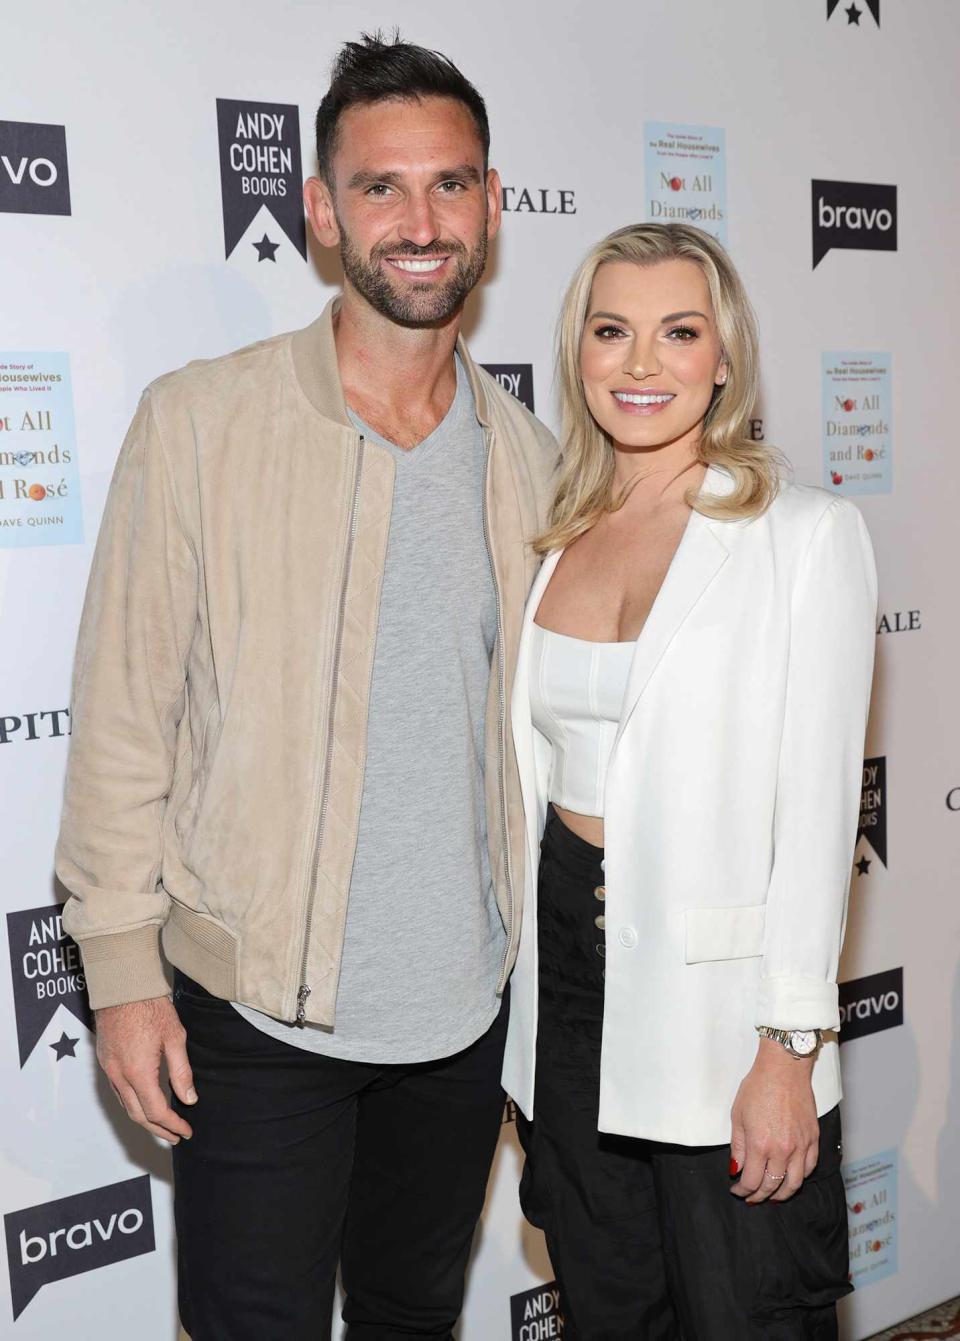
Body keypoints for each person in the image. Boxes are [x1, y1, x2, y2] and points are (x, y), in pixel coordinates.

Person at [55, 33, 558, 1340]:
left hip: (459, 1022)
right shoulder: (200, 422)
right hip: (253, 1011)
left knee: (409, 1321)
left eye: (451, 186)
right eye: (381, 189)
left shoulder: (535, 463)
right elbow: (121, 716)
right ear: (322, 213)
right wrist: (120, 969)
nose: (420, 222)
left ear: (494, 208)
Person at [502, 222, 877, 1340]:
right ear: (578, 353)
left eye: (678, 332)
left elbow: (817, 818)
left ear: (725, 358)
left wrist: (788, 1050)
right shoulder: (549, 539)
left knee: (749, 1320)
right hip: (568, 996)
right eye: (611, 332)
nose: (641, 363)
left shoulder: (803, 538)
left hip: (726, 1017)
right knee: (613, 1315)